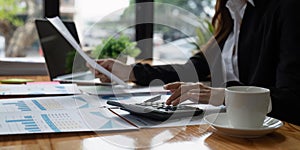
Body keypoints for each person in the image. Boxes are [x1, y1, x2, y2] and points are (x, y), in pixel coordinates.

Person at [89, 0, 300, 125]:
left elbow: (291, 98)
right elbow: (192, 69)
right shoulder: (232, 14)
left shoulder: (286, 8)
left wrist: (222, 95)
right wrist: (129, 72)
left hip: (277, 130)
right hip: (234, 125)